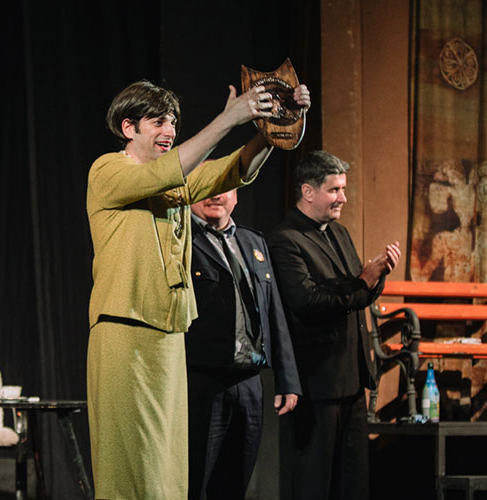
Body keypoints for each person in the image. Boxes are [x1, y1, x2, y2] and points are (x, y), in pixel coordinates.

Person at [86, 79, 310, 499]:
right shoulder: (108, 170)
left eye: (173, 121)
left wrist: (275, 126)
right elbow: (165, 172)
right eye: (158, 122)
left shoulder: (176, 183)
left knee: (168, 468)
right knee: (134, 463)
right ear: (128, 127)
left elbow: (232, 169)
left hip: (169, 339)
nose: (169, 130)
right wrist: (229, 118)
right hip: (126, 333)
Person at [266, 150, 400, 500]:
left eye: (343, 189)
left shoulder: (339, 232)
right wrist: (363, 281)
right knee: (315, 485)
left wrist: (376, 277)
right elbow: (308, 302)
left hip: (352, 380)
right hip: (317, 383)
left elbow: (358, 291)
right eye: (334, 190)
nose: (343, 198)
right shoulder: (285, 239)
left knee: (353, 485)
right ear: (308, 192)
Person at [186, 188, 301, 499]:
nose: (215, 195)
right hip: (202, 383)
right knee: (193, 483)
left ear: (236, 195)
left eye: (224, 187)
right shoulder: (181, 241)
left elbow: (274, 310)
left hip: (249, 383)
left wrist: (288, 378)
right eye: (207, 186)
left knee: (235, 484)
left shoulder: (253, 241)